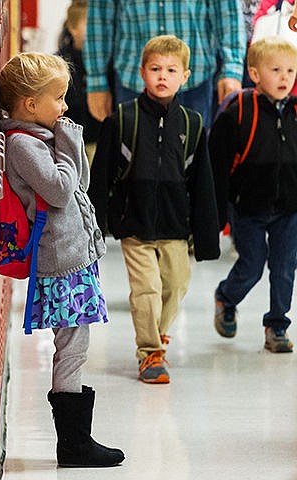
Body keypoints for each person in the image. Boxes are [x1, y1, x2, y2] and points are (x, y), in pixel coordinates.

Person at [0, 52, 124, 468]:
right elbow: (60, 191)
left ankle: (76, 439)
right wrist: (69, 144)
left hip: (75, 254)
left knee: (77, 341)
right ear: (31, 105)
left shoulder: (45, 138)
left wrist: (68, 145)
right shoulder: (22, 145)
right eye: (59, 98)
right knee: (71, 344)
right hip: (59, 260)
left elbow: (81, 183)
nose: (65, 106)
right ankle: (73, 443)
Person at [88, 36, 221, 384]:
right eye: (155, 69)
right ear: (142, 72)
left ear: (185, 76)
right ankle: (149, 354)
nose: (163, 76)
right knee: (146, 288)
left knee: (176, 285)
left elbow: (202, 183)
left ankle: (158, 333)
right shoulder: (122, 119)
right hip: (135, 222)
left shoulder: (192, 124)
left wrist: (206, 236)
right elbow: (101, 174)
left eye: (171, 70)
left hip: (176, 224)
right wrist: (96, 224)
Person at [210, 36, 297, 353]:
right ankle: (227, 296)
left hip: (289, 209)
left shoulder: (295, 112)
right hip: (248, 209)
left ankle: (277, 325)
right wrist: (218, 211)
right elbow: (217, 165)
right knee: (252, 265)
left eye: (290, 70)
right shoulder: (238, 111)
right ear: (255, 74)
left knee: (285, 267)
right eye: (276, 69)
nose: (285, 77)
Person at [83, 0, 246, 127]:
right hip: (133, 81)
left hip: (194, 81)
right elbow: (100, 17)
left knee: (191, 162)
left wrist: (232, 68)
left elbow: (228, 12)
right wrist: (97, 81)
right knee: (131, 164)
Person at [56, 0, 101, 163]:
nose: (96, 30)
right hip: (70, 137)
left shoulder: (104, 62)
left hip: (97, 136)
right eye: (89, 24)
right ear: (72, 28)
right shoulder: (61, 61)